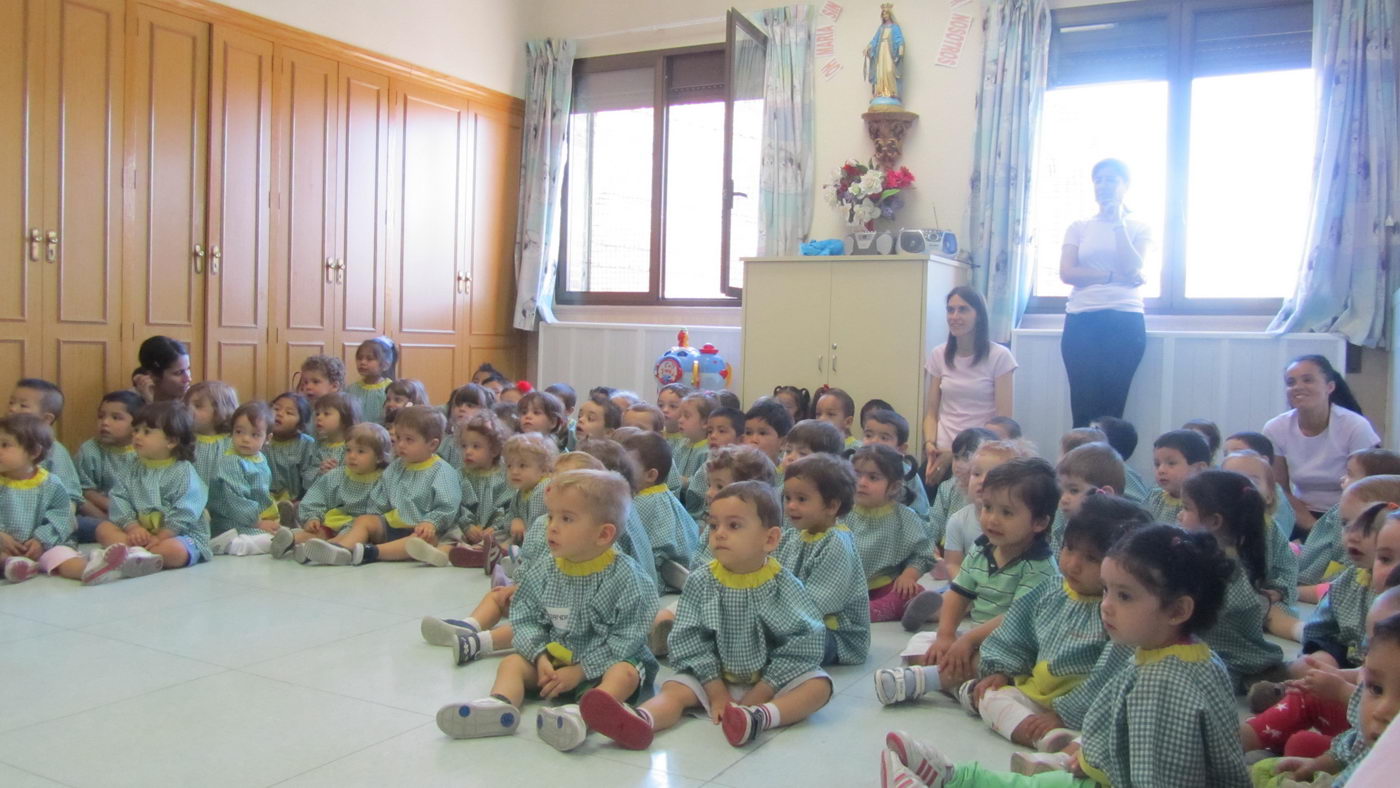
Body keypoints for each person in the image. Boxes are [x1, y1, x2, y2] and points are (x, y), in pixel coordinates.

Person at [880, 525, 1248, 787]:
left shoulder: (1163, 683)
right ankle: (955, 778)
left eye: (1125, 596)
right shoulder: (1183, 654)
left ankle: (956, 781)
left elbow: (1165, 776)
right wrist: (1091, 759)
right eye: (1106, 591)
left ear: (1178, 610)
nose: (1105, 607)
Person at [578, 481, 831, 750]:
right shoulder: (701, 581)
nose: (719, 534)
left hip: (772, 681)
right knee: (675, 690)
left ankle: (759, 718)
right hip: (711, 678)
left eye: (733, 526)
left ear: (769, 539)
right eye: (713, 525)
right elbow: (688, 638)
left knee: (818, 686)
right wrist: (715, 690)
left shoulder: (785, 585)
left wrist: (764, 690)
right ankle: (640, 719)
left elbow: (803, 642)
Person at [434, 469, 658, 753]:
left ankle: (586, 713)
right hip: (555, 656)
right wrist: (539, 655)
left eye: (566, 519)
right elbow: (525, 617)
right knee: (512, 664)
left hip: (605, 663)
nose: (551, 526)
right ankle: (500, 706)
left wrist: (581, 671)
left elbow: (627, 638)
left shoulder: (629, 579)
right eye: (551, 516)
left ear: (603, 534)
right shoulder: (544, 567)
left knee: (625, 673)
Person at [961, 495, 1148, 751]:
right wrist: (1002, 671)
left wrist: (1065, 714)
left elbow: (1108, 679)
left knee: (1110, 733)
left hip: (1084, 710)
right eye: (1069, 548)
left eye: (1092, 559)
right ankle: (1047, 741)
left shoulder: (1115, 613)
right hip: (1034, 694)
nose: (1073, 565)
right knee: (991, 698)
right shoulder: (1052, 590)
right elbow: (1018, 633)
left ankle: (1063, 747)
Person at [876, 458, 1058, 704]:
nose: (992, 519)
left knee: (987, 663)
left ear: (1039, 522)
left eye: (1006, 512)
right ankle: (961, 687)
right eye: (987, 507)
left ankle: (938, 681)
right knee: (921, 644)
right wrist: (946, 635)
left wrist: (968, 641)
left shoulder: (1040, 566)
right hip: (978, 638)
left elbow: (1014, 618)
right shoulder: (983, 548)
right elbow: (958, 593)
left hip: (1017, 648)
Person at [301, 405, 461, 566]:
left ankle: (372, 552)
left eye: (409, 440)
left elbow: (447, 506)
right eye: (398, 438)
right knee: (364, 520)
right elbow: (380, 497)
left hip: (420, 528)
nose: (401, 445)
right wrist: (373, 520)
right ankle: (341, 549)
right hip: (391, 525)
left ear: (432, 445)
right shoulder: (395, 467)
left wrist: (431, 522)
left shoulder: (442, 471)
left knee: (422, 540)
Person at [1059, 158, 1152, 430]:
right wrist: (1110, 276)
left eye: (1111, 179)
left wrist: (1118, 223)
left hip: (1125, 319)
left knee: (1112, 408)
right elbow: (1068, 272)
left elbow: (1133, 265)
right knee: (1083, 405)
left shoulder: (1138, 227)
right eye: (1098, 180)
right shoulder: (1079, 226)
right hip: (1082, 319)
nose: (1103, 186)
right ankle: (1079, 468)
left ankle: (1110, 470)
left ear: (1126, 185)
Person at [1178, 469, 1285, 687]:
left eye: (1186, 508)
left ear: (1214, 521)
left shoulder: (1228, 570)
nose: (1179, 515)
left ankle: (1263, 681)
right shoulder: (1207, 559)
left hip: (1229, 660)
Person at [93, 401, 211, 577]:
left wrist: (162, 535)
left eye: (146, 432)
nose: (137, 436)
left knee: (175, 551)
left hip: (177, 535)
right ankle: (136, 555)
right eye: (136, 430)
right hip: (139, 533)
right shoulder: (133, 467)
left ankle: (135, 555)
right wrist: (132, 527)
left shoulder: (183, 471)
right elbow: (119, 497)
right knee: (103, 529)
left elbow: (186, 510)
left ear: (171, 441)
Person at [1264, 354, 1380, 532]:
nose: (1297, 387)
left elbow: (1365, 488)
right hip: (1299, 513)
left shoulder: (1355, 426)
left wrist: (1334, 530)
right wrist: (1314, 528)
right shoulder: (1275, 428)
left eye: (1308, 380)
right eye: (1291, 382)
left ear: (1330, 387)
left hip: (1349, 514)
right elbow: (1281, 489)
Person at [0, 414, 118, 584]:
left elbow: (62, 515)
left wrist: (42, 539)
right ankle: (13, 565)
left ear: (34, 452)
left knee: (63, 557)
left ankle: (92, 569)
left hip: (44, 545)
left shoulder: (51, 483)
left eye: (5, 445)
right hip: (5, 545)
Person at [778, 453, 871, 665]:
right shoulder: (792, 534)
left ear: (831, 506)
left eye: (801, 499)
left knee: (781, 643)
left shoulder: (836, 543)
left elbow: (817, 604)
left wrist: (773, 615)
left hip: (834, 635)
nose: (791, 506)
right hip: (795, 619)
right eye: (788, 497)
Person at [923, 286, 1017, 482]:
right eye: (950, 310)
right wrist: (930, 444)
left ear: (979, 315)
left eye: (963, 309)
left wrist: (958, 455)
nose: (954, 316)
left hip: (980, 454)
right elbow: (931, 414)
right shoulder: (938, 354)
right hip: (940, 450)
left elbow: (1003, 422)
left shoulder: (1000, 357)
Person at [271, 422, 391, 560]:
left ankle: (313, 551)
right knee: (318, 532)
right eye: (348, 450)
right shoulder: (337, 475)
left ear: (379, 457)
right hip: (334, 520)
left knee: (345, 536)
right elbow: (317, 495)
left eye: (360, 451)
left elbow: (381, 510)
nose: (352, 456)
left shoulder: (384, 479)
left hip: (358, 527)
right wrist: (312, 516)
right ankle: (290, 541)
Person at [845, 444, 935, 625]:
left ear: (894, 486)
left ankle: (873, 611)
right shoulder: (842, 511)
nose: (862, 482)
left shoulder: (904, 516)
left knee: (912, 591)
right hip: (845, 587)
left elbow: (923, 553)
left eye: (873, 477)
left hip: (883, 584)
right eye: (857, 475)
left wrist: (909, 575)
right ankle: (864, 611)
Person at [619, 430, 699, 592]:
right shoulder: (663, 494)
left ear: (650, 475)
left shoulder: (642, 503)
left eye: (626, 469)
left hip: (662, 580)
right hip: (684, 571)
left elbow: (632, 547)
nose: (620, 473)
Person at [206, 401, 279, 556]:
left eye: (254, 434)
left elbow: (261, 490)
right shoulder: (231, 462)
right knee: (269, 540)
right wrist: (257, 523)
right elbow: (237, 500)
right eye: (239, 432)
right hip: (230, 521)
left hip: (253, 516)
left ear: (267, 438)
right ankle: (227, 544)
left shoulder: (259, 457)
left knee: (279, 533)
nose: (245, 439)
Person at [74, 391, 144, 539]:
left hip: (137, 511)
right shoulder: (90, 450)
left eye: (116, 418)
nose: (105, 422)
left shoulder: (144, 450)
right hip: (100, 511)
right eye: (101, 416)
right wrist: (114, 510)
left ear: (136, 423)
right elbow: (85, 491)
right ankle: (116, 534)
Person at [8, 379, 83, 513]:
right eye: (11, 402)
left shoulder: (55, 451)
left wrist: (48, 531)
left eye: (23, 405)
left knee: (99, 528)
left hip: (45, 521)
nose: (12, 409)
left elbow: (69, 499)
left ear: (46, 419)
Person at [1050, 441, 1127, 554]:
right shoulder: (1066, 527)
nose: (1064, 499)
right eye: (1062, 491)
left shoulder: (1119, 540)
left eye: (1074, 491)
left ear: (1105, 494)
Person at [1146, 429, 1211, 524]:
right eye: (1157, 464)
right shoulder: (1154, 496)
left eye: (1171, 463)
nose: (1161, 470)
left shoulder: (1202, 503)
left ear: (1200, 469)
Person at [347, 336, 397, 425]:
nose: (362, 362)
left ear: (385, 365)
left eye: (369, 359)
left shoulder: (391, 388)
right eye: (359, 358)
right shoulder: (351, 389)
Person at [133, 335, 192, 403]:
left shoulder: (196, 402)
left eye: (188, 369)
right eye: (178, 373)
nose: (188, 379)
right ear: (152, 375)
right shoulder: (131, 404)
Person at [813, 386, 860, 450]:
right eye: (818, 414)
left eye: (830, 414)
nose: (821, 419)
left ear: (848, 422)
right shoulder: (815, 447)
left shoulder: (857, 450)